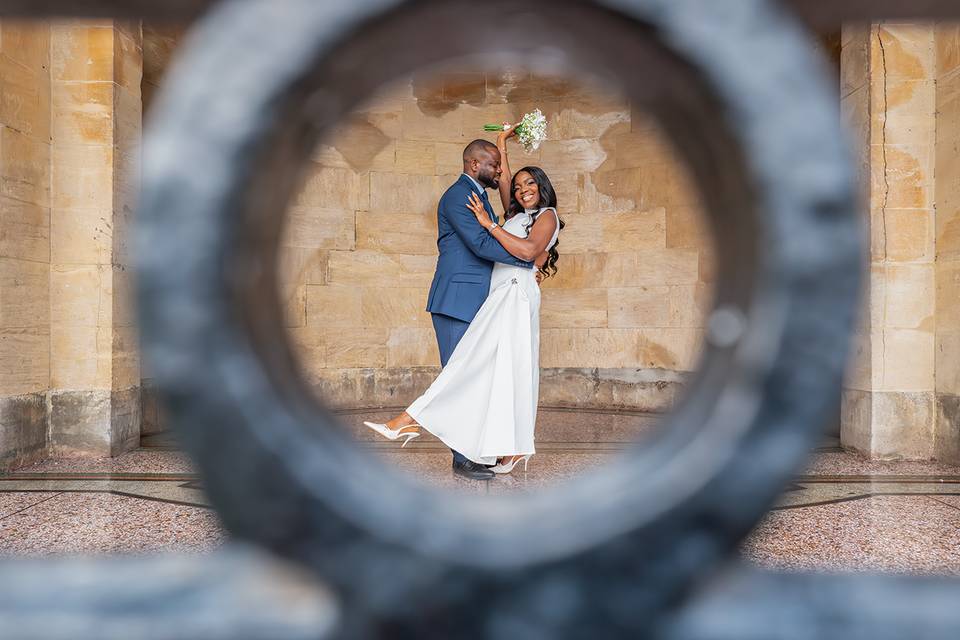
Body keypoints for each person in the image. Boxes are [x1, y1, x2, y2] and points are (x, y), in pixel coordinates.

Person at [364, 124, 563, 480]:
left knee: (489, 374)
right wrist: (527, 260)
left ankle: (484, 446)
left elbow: (515, 233)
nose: (512, 182)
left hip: (500, 298)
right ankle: (459, 452)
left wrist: (531, 255)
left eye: (529, 184)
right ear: (475, 165)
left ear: (543, 188)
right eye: (502, 172)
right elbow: (484, 244)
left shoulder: (533, 214)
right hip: (461, 298)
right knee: (463, 374)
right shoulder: (462, 196)